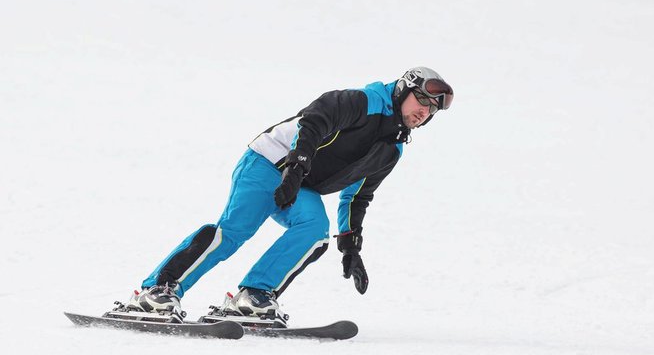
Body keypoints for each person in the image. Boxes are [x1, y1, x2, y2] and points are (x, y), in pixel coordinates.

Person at [121, 67, 454, 325]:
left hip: (302, 183)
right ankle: (158, 291)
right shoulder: (363, 101)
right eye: (422, 101)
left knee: (313, 231)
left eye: (432, 110)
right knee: (235, 231)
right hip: (268, 162)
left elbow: (357, 196)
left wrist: (350, 245)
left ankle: (254, 296)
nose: (424, 111)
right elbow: (315, 119)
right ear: (403, 90)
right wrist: (296, 166)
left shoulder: (392, 148)